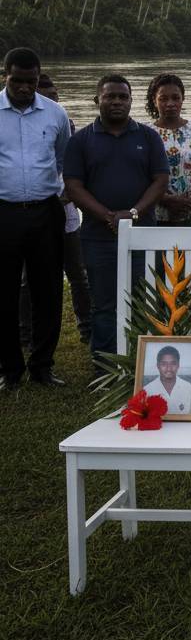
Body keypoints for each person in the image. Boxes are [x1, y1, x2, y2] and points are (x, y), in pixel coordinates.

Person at [63, 75, 169, 369]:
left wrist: (133, 213)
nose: (117, 102)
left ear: (131, 101)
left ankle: (145, 367)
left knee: (146, 301)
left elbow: (160, 181)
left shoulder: (148, 137)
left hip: (143, 235)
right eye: (110, 97)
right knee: (105, 305)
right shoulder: (81, 140)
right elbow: (73, 186)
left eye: (123, 97)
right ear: (98, 100)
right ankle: (106, 368)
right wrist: (108, 216)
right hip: (98, 237)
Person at [0, 48, 72, 389]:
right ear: (5, 76)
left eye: (31, 81)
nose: (25, 88)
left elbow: (62, 161)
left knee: (48, 291)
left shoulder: (55, 114)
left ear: (39, 77)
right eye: (18, 80)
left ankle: (42, 365)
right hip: (4, 213)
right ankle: (10, 370)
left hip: (45, 212)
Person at [18, 73, 91, 350]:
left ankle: (87, 329)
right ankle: (25, 335)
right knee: (27, 279)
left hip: (67, 215)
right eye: (47, 99)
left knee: (78, 274)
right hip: (33, 214)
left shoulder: (67, 125)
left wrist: (68, 194)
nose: (52, 104)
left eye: (55, 98)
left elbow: (75, 169)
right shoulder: (22, 126)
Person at [146, 73, 191, 227]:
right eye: (163, 98)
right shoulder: (145, 133)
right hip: (156, 215)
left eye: (175, 98)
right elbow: (138, 173)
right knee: (157, 252)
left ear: (183, 99)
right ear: (154, 101)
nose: (170, 103)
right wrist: (166, 200)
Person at [143, 344, 191, 415]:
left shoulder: (189, 388)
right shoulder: (147, 390)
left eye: (173, 364)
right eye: (164, 364)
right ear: (158, 366)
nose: (169, 368)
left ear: (178, 365)